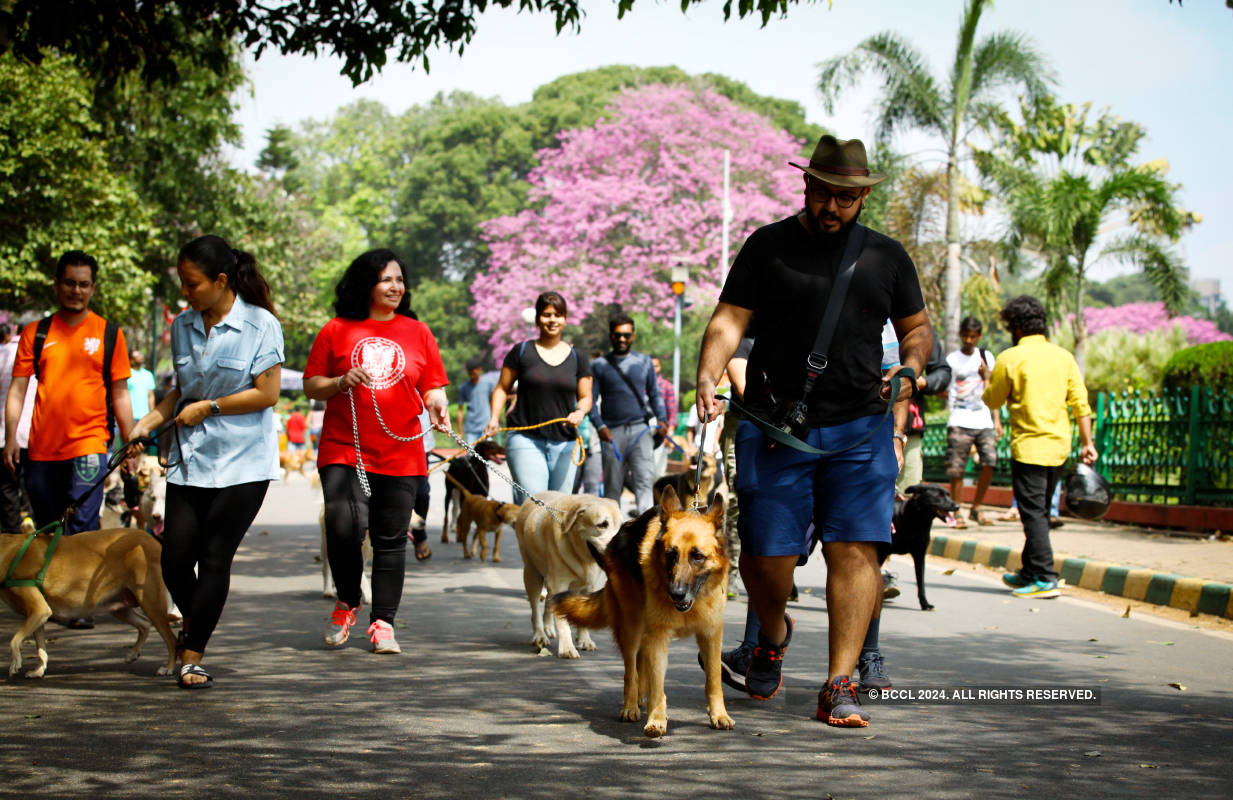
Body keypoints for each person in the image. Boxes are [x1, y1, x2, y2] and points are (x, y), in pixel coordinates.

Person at [696, 135, 930, 728]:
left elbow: (917, 328)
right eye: (823, 194)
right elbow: (729, 319)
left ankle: (839, 682)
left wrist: (911, 368)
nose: (832, 207)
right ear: (806, 186)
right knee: (767, 561)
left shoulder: (887, 258)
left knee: (855, 551)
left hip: (860, 429)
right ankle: (772, 634)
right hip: (777, 425)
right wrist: (708, 372)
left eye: (845, 199)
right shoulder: (766, 247)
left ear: (862, 199)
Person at [128, 235, 284, 688]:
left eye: (193, 284)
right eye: (182, 283)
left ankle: (192, 653)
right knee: (175, 559)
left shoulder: (261, 325)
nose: (187, 292)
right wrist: (149, 421)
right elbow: (182, 390)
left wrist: (211, 407)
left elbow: (267, 393)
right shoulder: (182, 325)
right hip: (190, 458)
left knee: (215, 558)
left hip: (243, 463)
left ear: (220, 281)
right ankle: (199, 623)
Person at [305, 249, 449, 655]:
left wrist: (437, 403)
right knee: (343, 524)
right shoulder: (336, 329)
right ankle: (348, 600)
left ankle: (383, 622)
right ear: (365, 283)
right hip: (344, 447)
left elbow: (432, 384)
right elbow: (311, 384)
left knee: (390, 539)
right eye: (387, 279)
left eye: (400, 280)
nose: (396, 287)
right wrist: (338, 382)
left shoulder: (417, 331)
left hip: (401, 449)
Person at [4, 252, 137, 622]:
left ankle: (81, 604)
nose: (75, 291)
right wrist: (12, 437)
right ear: (57, 285)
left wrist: (128, 444)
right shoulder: (35, 333)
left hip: (90, 446)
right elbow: (17, 390)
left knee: (81, 528)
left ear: (93, 288)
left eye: (83, 284)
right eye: (69, 283)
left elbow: (120, 393)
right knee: (48, 527)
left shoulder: (109, 333)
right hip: (42, 449)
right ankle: (54, 599)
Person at [983, 295, 1097, 599]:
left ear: (1016, 327)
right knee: (1040, 511)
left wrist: (987, 379)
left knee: (1032, 513)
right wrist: (1088, 444)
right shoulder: (1064, 357)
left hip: (1029, 448)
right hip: (1059, 447)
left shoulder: (1010, 358)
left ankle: (1046, 577)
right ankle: (1029, 572)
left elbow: (992, 400)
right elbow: (1080, 404)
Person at [485, 292, 591, 501]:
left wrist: (580, 411)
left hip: (565, 442)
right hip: (526, 439)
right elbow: (501, 388)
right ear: (537, 319)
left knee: (559, 509)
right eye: (547, 315)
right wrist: (494, 417)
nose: (552, 320)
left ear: (565, 319)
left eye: (558, 315)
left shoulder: (578, 357)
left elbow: (586, 396)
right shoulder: (522, 351)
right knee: (535, 506)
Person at [589, 313, 667, 515]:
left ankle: (646, 535)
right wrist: (600, 427)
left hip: (640, 430)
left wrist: (662, 419)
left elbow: (655, 393)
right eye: (617, 335)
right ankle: (613, 538)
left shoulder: (644, 362)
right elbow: (590, 401)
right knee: (612, 490)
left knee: (644, 484)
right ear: (610, 336)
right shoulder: (599, 365)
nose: (622, 339)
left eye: (626, 335)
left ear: (633, 335)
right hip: (611, 433)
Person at [945, 316, 1002, 527]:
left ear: (979, 336)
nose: (969, 340)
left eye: (973, 336)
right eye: (966, 336)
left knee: (990, 462)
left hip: (983, 418)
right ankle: (957, 509)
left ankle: (977, 507)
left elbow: (993, 392)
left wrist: (997, 420)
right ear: (961, 335)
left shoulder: (986, 357)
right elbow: (945, 389)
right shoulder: (952, 360)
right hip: (959, 418)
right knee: (957, 468)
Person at [895, 335, 950, 494]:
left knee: (907, 493)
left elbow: (942, 371)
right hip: (866, 426)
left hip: (909, 429)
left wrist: (921, 382)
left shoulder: (919, 328)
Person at [0, 323, 23, 533]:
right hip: (36, 435)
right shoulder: (43, 355)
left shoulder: (3, 354)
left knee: (8, 493)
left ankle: (13, 545)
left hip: (5, 436)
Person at [457, 356, 500, 445]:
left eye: (474, 372)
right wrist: (460, 432)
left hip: (486, 427)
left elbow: (493, 402)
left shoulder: (488, 384)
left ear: (479, 370)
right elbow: (460, 410)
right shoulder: (464, 387)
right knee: (472, 456)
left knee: (487, 456)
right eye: (470, 373)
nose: (472, 375)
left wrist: (495, 420)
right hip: (471, 429)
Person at [650, 355, 677, 479]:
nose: (652, 369)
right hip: (642, 434)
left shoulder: (667, 387)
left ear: (660, 367)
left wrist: (669, 434)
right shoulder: (640, 387)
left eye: (655, 366)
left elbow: (672, 414)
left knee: (658, 473)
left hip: (661, 435)